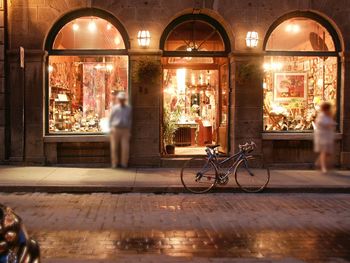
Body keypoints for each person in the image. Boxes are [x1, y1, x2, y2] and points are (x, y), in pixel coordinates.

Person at [109, 91, 132, 168]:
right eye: (120, 99)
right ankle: (114, 163)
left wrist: (129, 128)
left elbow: (130, 119)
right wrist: (111, 128)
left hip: (125, 129)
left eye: (123, 99)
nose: (121, 100)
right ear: (118, 99)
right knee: (114, 147)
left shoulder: (128, 108)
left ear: (124, 100)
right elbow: (111, 118)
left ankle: (124, 163)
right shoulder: (115, 108)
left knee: (125, 147)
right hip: (116, 128)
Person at [314, 102, 336, 173]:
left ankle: (318, 162)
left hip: (328, 136)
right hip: (322, 136)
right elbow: (322, 124)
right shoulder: (321, 116)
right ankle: (323, 167)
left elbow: (331, 124)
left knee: (327, 153)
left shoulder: (328, 115)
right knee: (324, 151)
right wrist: (330, 125)